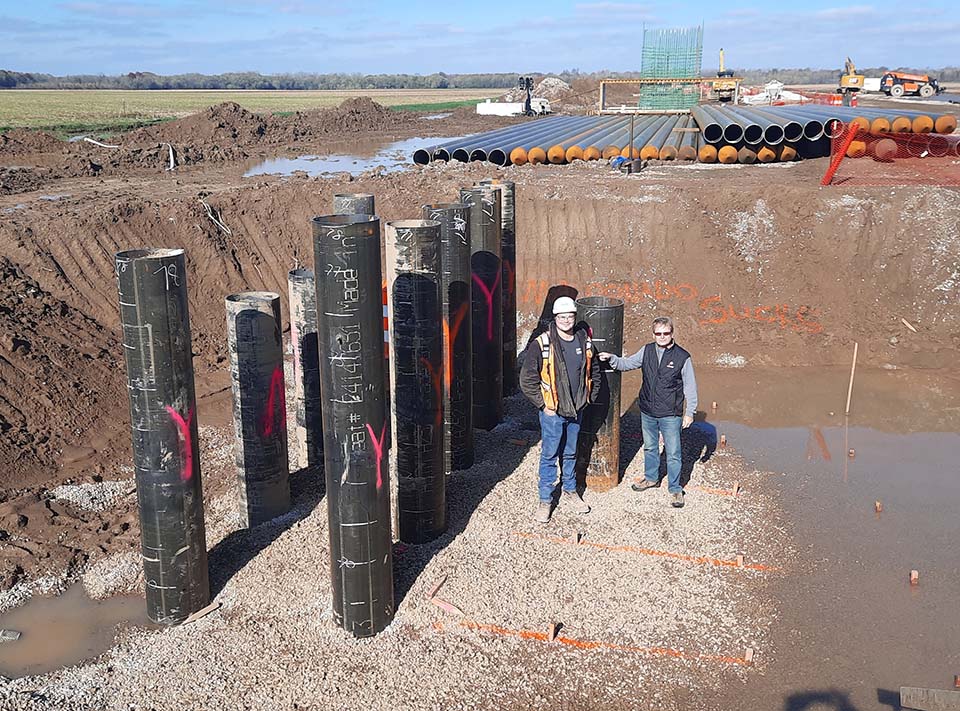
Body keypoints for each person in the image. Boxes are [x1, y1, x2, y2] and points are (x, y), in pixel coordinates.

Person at [598, 316, 698, 508]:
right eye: (658, 333)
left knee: (674, 452)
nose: (662, 337)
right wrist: (612, 359)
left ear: (672, 333)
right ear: (653, 334)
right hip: (648, 410)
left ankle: (675, 489)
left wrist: (690, 412)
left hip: (671, 413)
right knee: (650, 448)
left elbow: (690, 387)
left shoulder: (682, 357)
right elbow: (627, 364)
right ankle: (651, 478)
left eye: (666, 333)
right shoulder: (647, 350)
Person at [520, 296, 602, 523]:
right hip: (553, 413)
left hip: (577, 410)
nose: (566, 320)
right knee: (549, 455)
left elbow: (594, 371)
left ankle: (569, 491)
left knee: (570, 453)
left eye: (570, 316)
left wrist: (589, 398)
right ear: (555, 318)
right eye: (562, 316)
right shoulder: (542, 344)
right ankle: (545, 500)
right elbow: (527, 380)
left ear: (575, 317)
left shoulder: (584, 341)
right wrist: (543, 405)